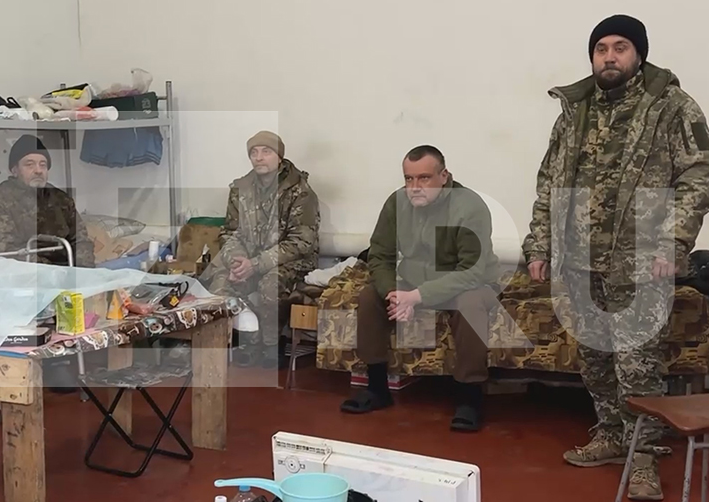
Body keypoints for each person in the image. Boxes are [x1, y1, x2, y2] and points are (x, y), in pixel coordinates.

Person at [522, 15, 709, 500]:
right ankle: (611, 435)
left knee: (638, 364)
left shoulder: (671, 107)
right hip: (578, 260)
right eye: (601, 48)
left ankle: (644, 456)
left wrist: (673, 242)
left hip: (641, 259)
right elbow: (549, 183)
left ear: (639, 53)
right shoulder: (574, 111)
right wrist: (540, 245)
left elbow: (699, 178)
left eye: (621, 47)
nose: (609, 56)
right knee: (595, 359)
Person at [339, 145, 500, 432]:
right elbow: (380, 255)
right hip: (413, 280)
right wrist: (392, 292)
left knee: (470, 304)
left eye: (424, 178)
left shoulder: (469, 207)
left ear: (444, 176)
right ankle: (377, 387)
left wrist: (417, 296)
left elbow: (472, 271)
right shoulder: (397, 203)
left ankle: (470, 397)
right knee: (369, 296)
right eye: (408, 179)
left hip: (468, 282)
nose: (415, 187)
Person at [206, 131, 320, 369]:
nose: (259, 158)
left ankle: (271, 346)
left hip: (290, 261)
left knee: (270, 285)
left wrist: (256, 264)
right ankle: (248, 341)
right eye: (254, 153)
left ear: (279, 157)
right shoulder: (240, 189)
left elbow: (301, 241)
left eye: (266, 152)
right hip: (248, 259)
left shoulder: (300, 191)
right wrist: (237, 261)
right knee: (220, 284)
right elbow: (229, 232)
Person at [0, 134, 95, 268]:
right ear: (14, 170)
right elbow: (5, 251)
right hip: (20, 273)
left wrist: (84, 272)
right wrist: (52, 271)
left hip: (65, 272)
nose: (38, 170)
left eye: (43, 165)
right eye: (29, 165)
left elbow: (81, 241)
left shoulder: (61, 199)